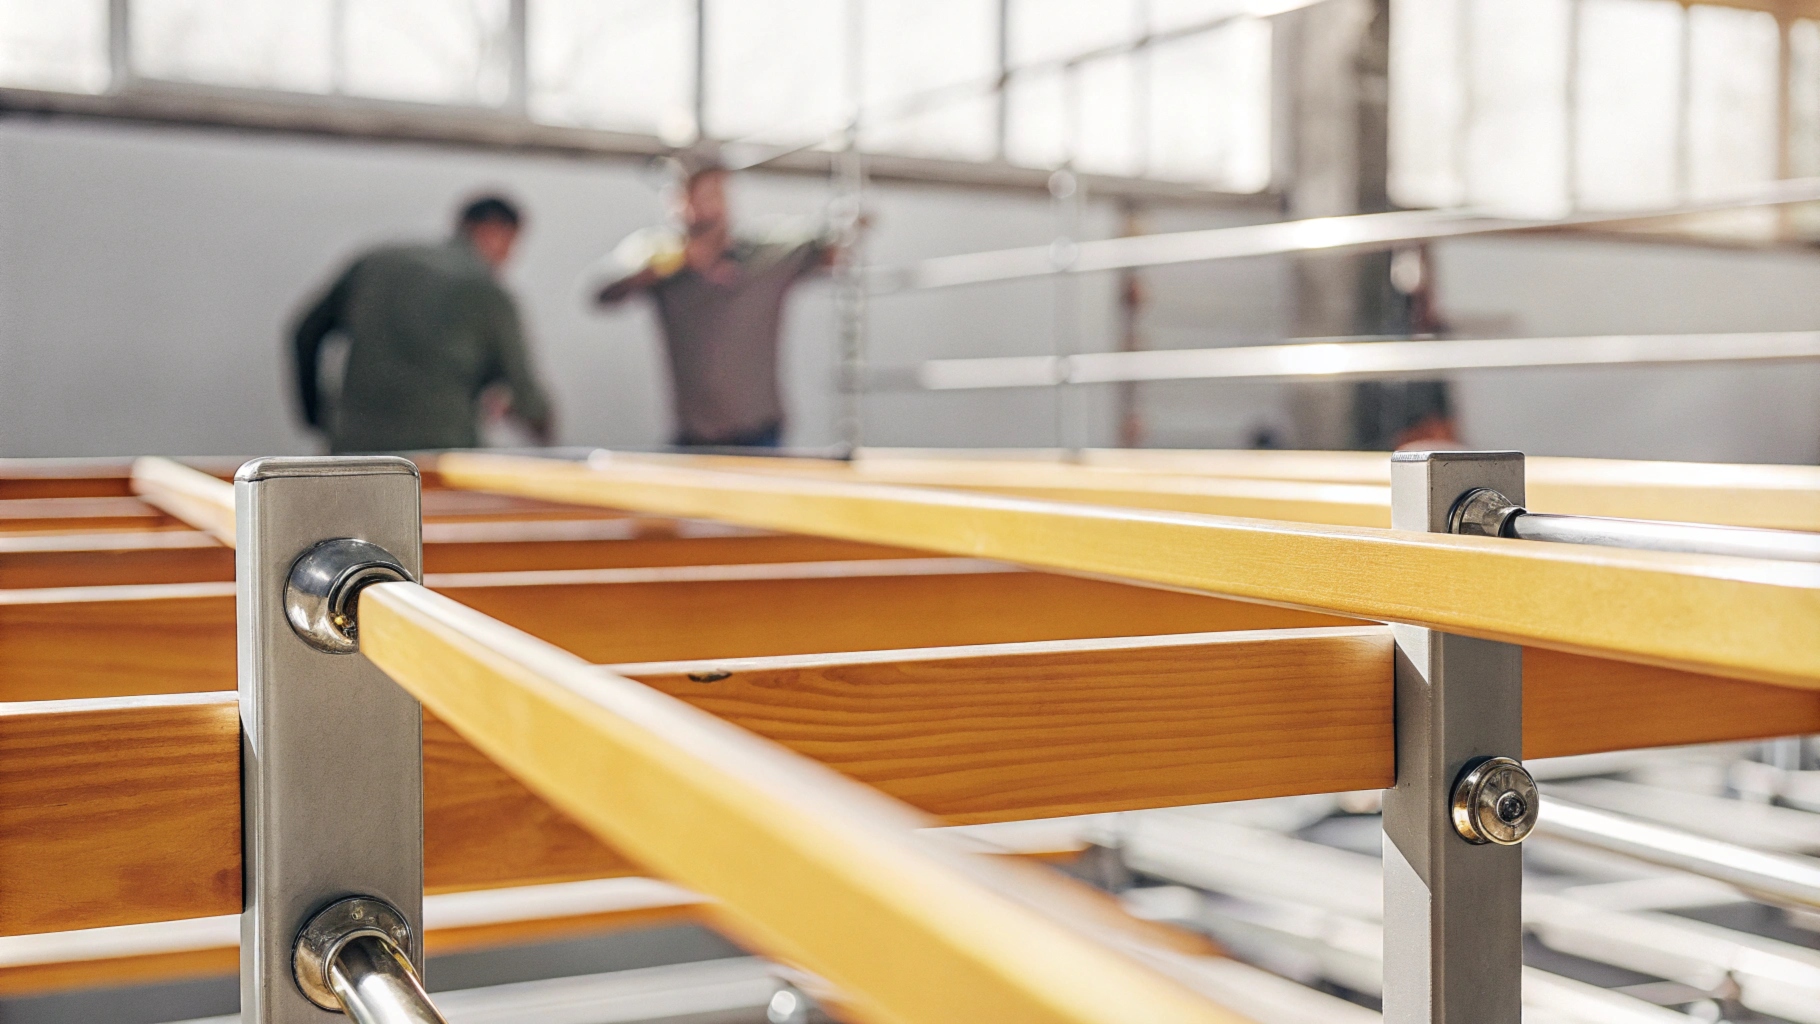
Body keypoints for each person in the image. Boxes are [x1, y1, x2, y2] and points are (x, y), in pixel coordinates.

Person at [591, 163, 833, 448]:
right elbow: (603, 291)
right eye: (693, 197)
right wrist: (674, 262)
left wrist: (847, 223)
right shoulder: (660, 257)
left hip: (759, 431)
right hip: (694, 434)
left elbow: (823, 247)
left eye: (714, 195)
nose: (705, 207)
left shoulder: (763, 257)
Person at [292, 195, 553, 454]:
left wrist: (318, 417)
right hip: (442, 455)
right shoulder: (487, 290)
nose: (509, 258)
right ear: (495, 232)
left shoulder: (375, 263)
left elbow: (304, 333)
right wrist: (547, 435)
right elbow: (526, 394)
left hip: (354, 449)